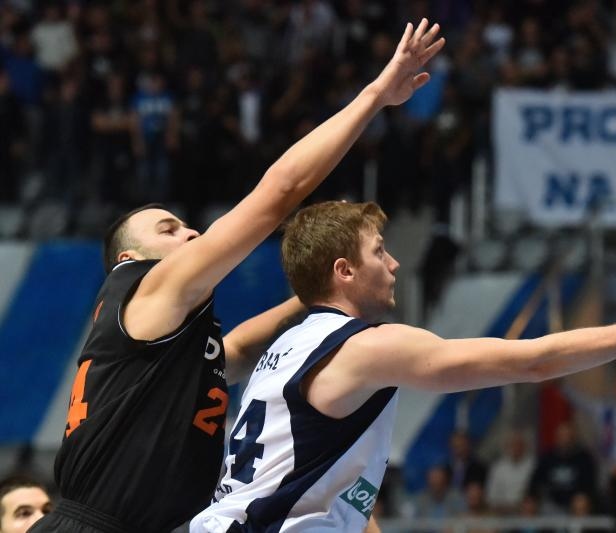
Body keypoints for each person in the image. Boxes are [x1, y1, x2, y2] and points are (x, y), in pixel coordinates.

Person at [30, 18, 445, 533]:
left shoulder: (163, 340)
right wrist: (376, 95)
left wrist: (326, 284)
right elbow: (279, 192)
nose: (191, 235)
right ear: (128, 261)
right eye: (169, 229)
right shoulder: (145, 285)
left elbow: (235, 354)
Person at [192, 199, 616, 532]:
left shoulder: (285, 350)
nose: (394, 262)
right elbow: (532, 362)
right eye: (379, 251)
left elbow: (326, 492)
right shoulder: (361, 346)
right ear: (344, 271)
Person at [528, 421, 596, 512]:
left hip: (576, 503)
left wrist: (582, 497)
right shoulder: (547, 457)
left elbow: (589, 484)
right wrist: (533, 497)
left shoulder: (584, 458)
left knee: (581, 502)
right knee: (533, 505)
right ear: (556, 437)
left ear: (574, 437)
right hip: (552, 502)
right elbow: (535, 481)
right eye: (562, 436)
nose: (565, 439)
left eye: (568, 436)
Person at [485, 430, 536, 513]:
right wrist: (508, 508)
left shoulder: (532, 466)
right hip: (502, 513)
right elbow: (491, 497)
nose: (516, 448)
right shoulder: (498, 468)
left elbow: (534, 494)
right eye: (513, 445)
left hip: (526, 513)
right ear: (507, 446)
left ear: (525, 447)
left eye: (519, 445)